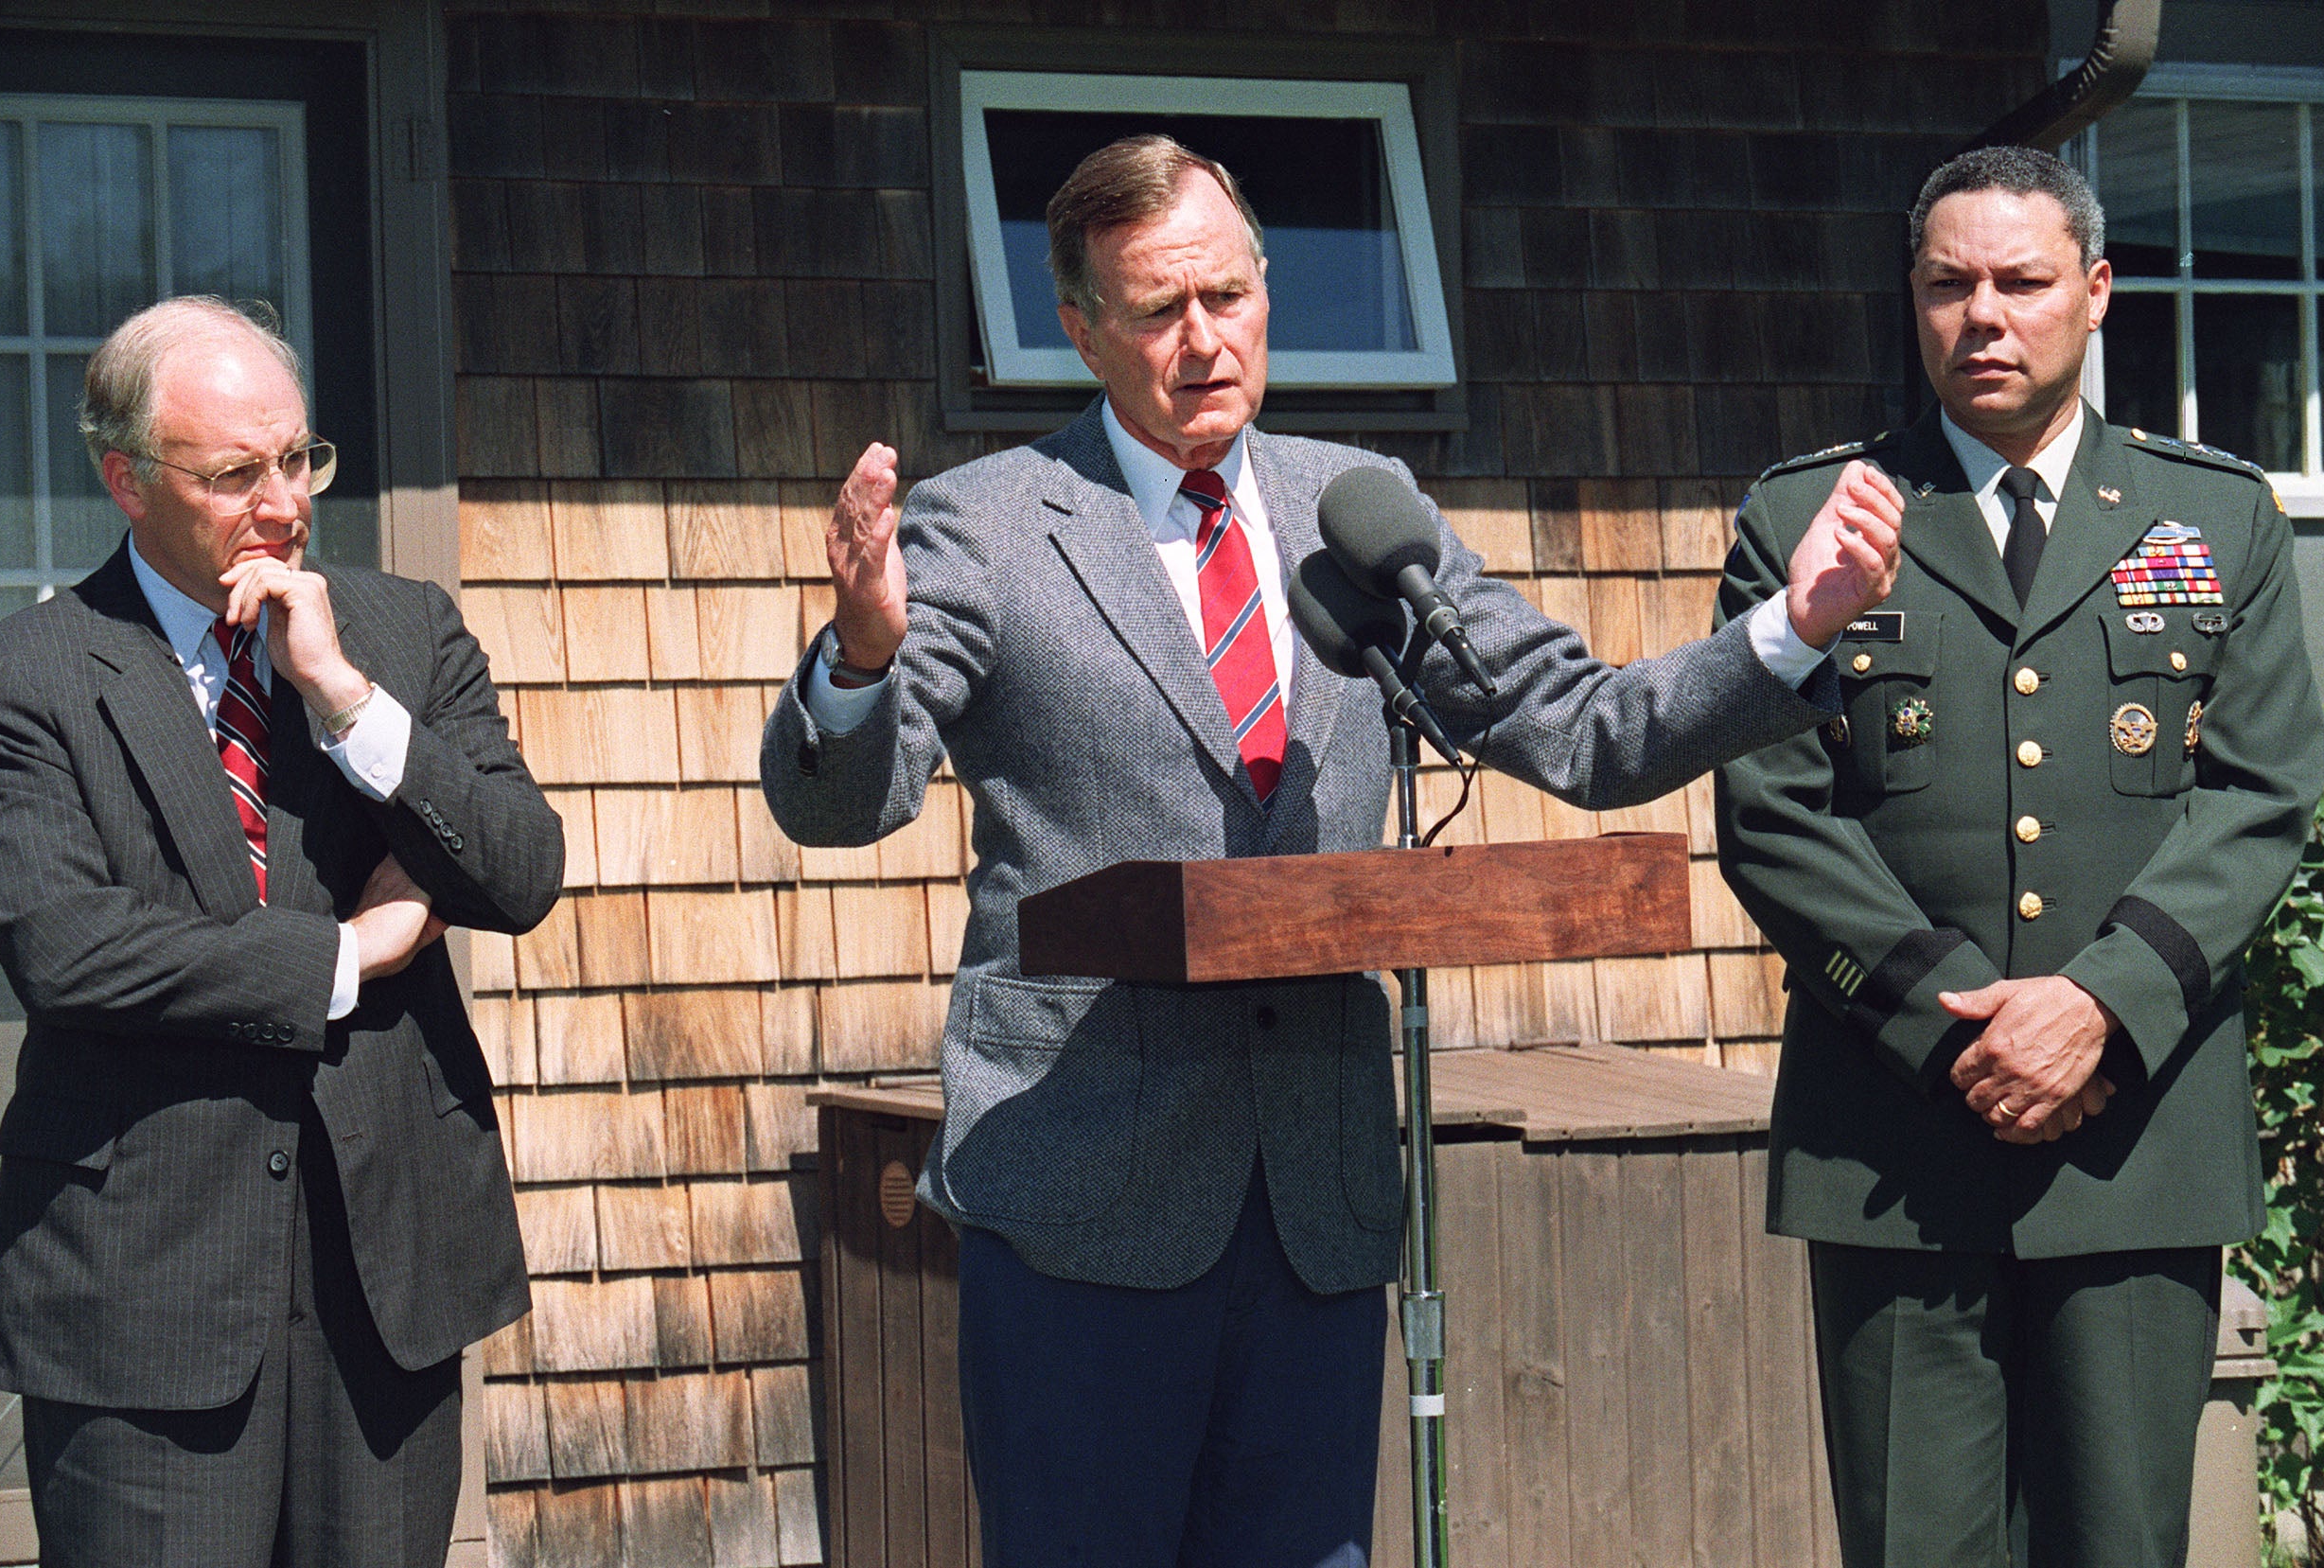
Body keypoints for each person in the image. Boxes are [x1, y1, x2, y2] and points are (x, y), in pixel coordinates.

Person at [763, 133, 1901, 1567]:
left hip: (1313, 1204)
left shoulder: (1358, 514)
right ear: (1079, 329)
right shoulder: (989, 525)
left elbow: (1586, 731)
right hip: (1076, 1205)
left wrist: (1792, 626)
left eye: (1228, 298)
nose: (1203, 342)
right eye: (1159, 311)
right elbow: (835, 805)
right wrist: (862, 653)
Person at [1713, 146, 2324, 1568]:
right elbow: (1772, 808)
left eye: (2022, 281)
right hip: (1898, 1140)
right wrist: (1958, 1027)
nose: (1983, 315)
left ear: (2096, 292)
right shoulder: (1812, 522)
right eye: (1948, 284)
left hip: (2136, 1140)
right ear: (1913, 299)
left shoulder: (2213, 516)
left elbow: (2262, 789)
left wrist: (2098, 1002)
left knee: (2122, 1542)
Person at [0, 296, 563, 1565]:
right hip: (144, 1286)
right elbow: (71, 946)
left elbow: (518, 871)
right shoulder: (28, 673)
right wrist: (351, 954)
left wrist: (345, 698)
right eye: (236, 473)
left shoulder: (405, 630)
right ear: (127, 480)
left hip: (386, 1274)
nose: (284, 503)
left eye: (299, 458)